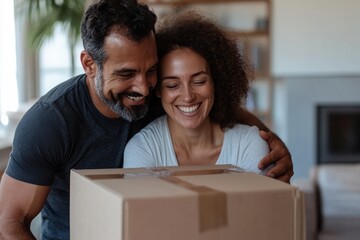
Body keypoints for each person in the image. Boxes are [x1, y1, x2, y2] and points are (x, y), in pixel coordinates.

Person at [0, 0, 292, 239]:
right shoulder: (51, 123)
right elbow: (8, 222)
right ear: (90, 64)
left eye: (151, 70)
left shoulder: (158, 90)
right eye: (126, 74)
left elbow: (215, 107)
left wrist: (270, 141)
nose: (142, 87)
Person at [124, 10, 273, 175]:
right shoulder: (142, 150)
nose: (188, 97)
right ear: (158, 89)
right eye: (173, 85)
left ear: (216, 81)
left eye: (199, 81)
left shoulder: (248, 145)